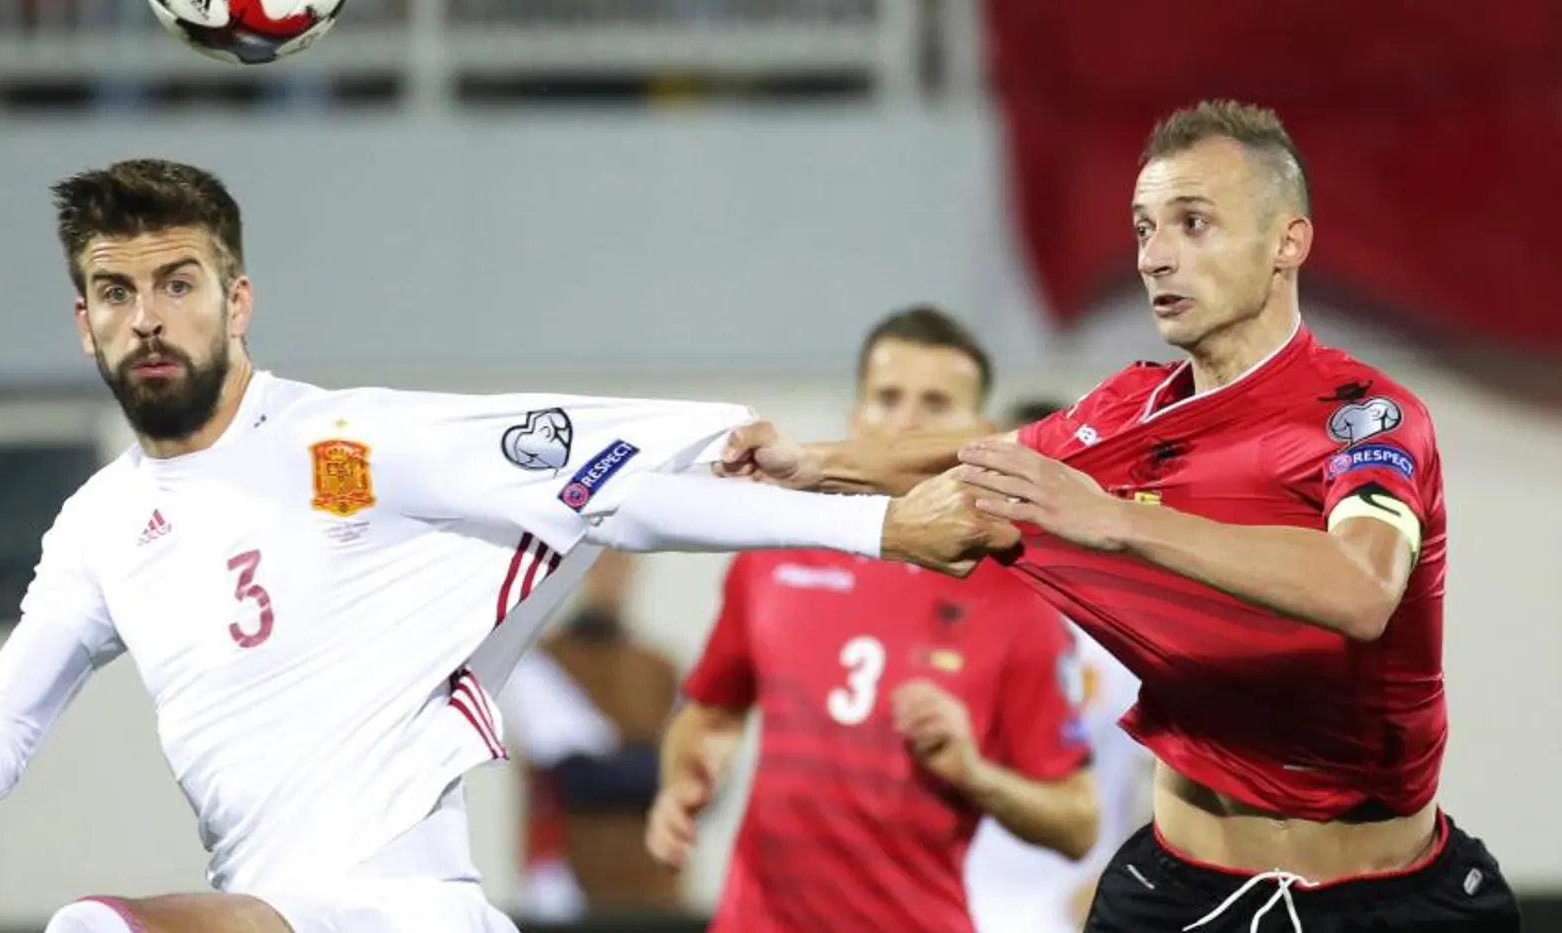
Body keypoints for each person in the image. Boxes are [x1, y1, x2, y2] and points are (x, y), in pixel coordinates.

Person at [0, 159, 1009, 933]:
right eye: (114, 290)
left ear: (238, 299)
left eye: (177, 282)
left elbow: (616, 492)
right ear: (83, 320)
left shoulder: (354, 447)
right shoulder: (101, 524)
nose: (147, 315)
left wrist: (879, 525)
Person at [719, 101, 1522, 931]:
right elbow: (983, 450)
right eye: (1144, 229)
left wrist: (1118, 520)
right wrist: (813, 462)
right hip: (1179, 892)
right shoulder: (1130, 410)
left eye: (1193, 223)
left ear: (1288, 242)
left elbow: (1359, 586)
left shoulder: (1365, 415)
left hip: (1384, 901)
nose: (1155, 257)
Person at [646, 306, 1100, 933]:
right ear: (855, 415)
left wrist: (975, 774)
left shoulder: (1019, 602)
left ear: (980, 433)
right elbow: (711, 711)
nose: (905, 422)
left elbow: (1078, 824)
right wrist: (684, 780)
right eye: (887, 398)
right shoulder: (779, 546)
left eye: (936, 405)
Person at [964, 398, 1154, 933]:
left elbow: (1194, 782)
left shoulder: (1131, 632)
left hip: (1075, 914)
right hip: (940, 906)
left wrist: (1121, 886)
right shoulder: (946, 608)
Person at [502, 552, 682, 919]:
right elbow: (573, 778)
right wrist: (646, 768)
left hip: (653, 882)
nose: (609, 578)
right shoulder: (545, 663)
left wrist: (636, 770)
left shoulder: (659, 668)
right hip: (570, 882)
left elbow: (691, 779)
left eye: (619, 566)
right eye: (598, 566)